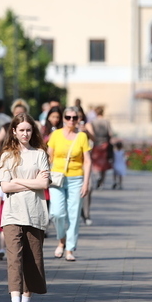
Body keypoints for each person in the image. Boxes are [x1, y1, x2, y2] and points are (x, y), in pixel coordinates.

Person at [0, 113, 50, 302]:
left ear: (32, 131)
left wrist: (17, 180)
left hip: (35, 213)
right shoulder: (7, 155)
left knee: (32, 261)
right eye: (21, 130)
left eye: (28, 130)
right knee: (14, 259)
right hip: (12, 213)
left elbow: (43, 185)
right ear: (14, 132)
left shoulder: (40, 154)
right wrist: (30, 181)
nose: (25, 133)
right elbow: (4, 186)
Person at [47, 106, 91, 262]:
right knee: (57, 213)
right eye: (68, 117)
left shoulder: (82, 137)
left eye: (75, 117)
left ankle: (69, 248)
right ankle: (61, 240)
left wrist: (86, 183)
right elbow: (49, 156)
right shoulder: (56, 134)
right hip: (57, 177)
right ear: (63, 118)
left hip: (76, 179)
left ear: (79, 119)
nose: (71, 120)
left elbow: (87, 161)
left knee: (73, 214)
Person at [90, 106, 113, 189]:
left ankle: (97, 177)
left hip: (96, 143)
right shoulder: (106, 121)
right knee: (104, 164)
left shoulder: (93, 122)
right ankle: (102, 181)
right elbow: (110, 133)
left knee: (96, 163)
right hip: (105, 144)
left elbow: (91, 133)